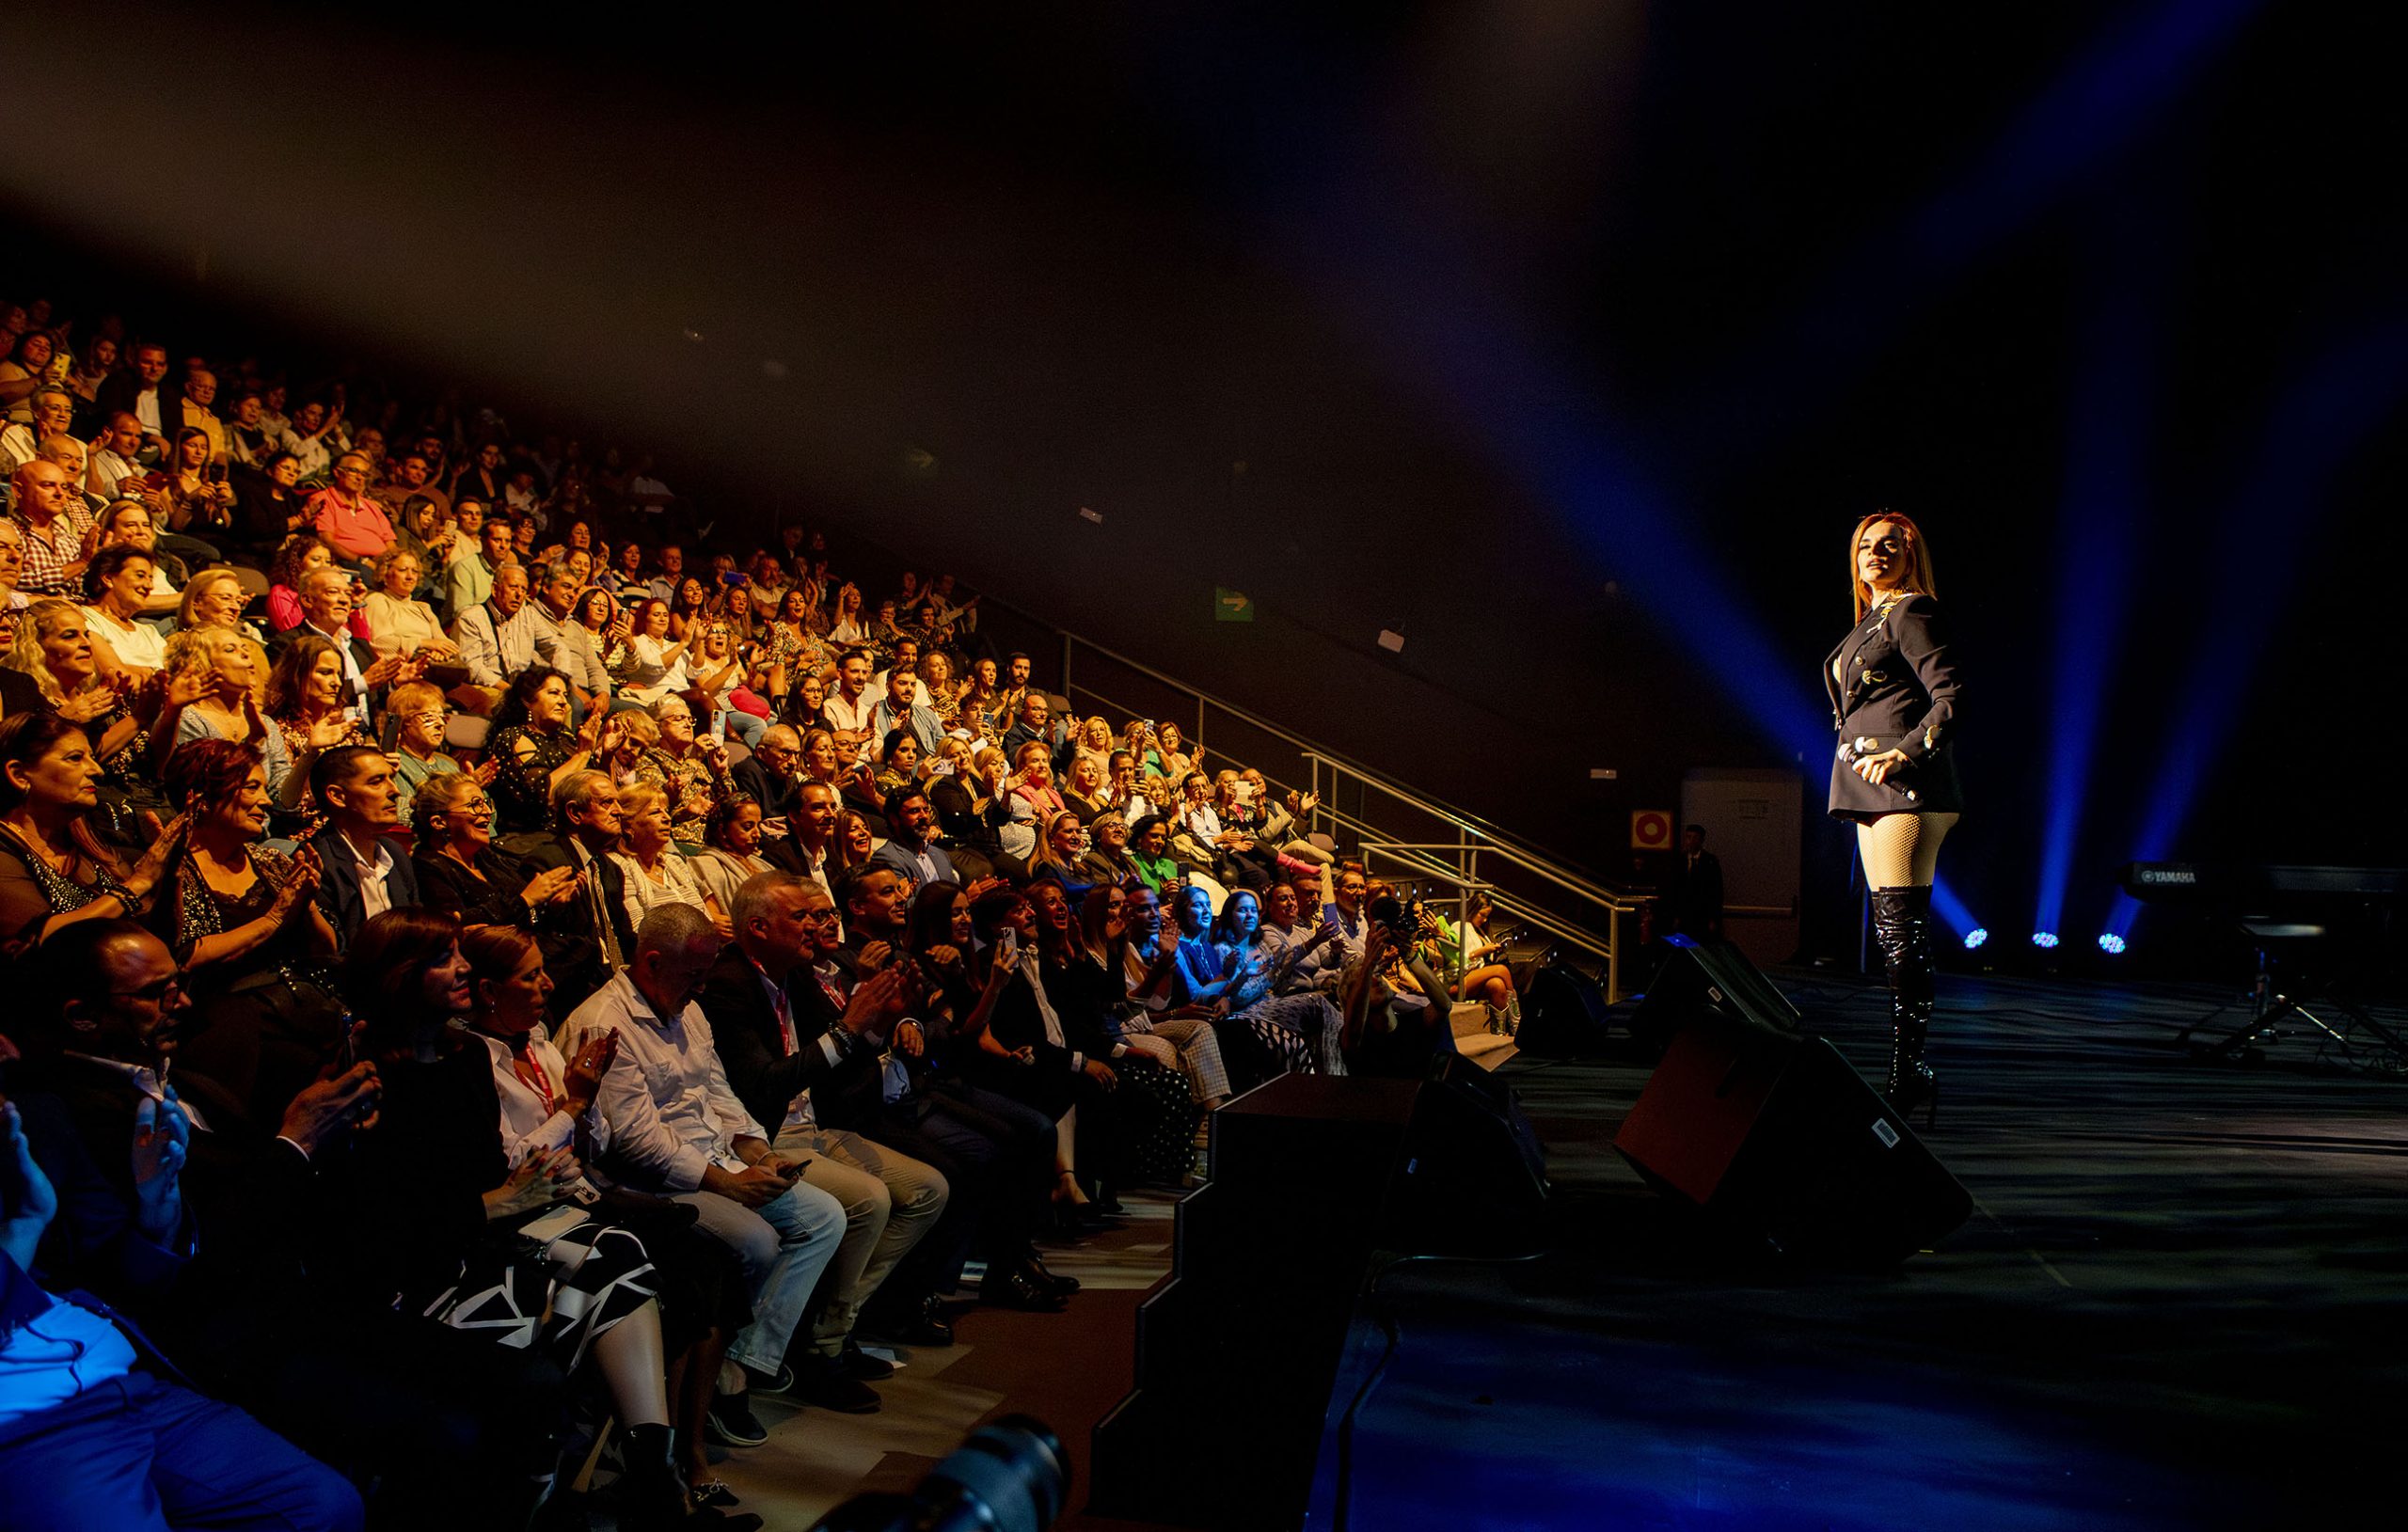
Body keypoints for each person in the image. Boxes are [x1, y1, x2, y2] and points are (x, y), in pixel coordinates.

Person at [321, 911, 698, 1530]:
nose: (462, 969)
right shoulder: (360, 1070)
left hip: (476, 1237)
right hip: (411, 1276)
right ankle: (597, 1490)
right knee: (573, 1307)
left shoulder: (465, 1053)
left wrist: (514, 1191)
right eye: (443, 959)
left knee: (619, 1253)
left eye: (458, 955)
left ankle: (651, 1470)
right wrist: (502, 1200)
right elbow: (384, 1218)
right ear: (399, 977)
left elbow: (491, 1171)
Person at [0, 1095, 366, 1532]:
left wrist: (157, 1211)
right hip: (29, 1421)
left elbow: (111, 1264)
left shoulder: (34, 1112)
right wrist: (25, 1227)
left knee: (325, 1508)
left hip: (126, 1375)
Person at [557, 904, 849, 1448]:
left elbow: (718, 1091)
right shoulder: (606, 1022)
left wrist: (757, 1150)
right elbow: (635, 1141)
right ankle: (707, 1383)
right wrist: (728, 1184)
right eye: (693, 974)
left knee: (824, 1216)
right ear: (651, 962)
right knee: (756, 1240)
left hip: (713, 1158)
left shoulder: (687, 1008)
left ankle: (737, 1364)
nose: (702, 985)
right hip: (650, 1183)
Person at [696, 871, 955, 1406]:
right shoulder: (730, 984)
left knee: (928, 1188)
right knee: (869, 1199)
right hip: (765, 1133)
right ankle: (821, 1349)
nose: (816, 926)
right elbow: (763, 1084)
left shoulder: (793, 974)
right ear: (759, 928)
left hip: (817, 1123)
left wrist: (878, 1021)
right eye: (801, 917)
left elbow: (844, 1056)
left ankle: (832, 1322)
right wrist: (850, 1026)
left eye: (819, 916)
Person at [1825, 512, 1962, 1125]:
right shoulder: (1870, 620)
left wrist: (1904, 752)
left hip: (1905, 782)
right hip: (1868, 781)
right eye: (1866, 546)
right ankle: (1909, 1069)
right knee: (1891, 933)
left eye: (1890, 545)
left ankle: (1909, 1071)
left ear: (1910, 555)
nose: (1876, 553)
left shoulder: (1912, 611)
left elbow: (1950, 697)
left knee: (1903, 932)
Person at [0, 713, 184, 952]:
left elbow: (161, 938)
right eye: (75, 758)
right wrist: (140, 882)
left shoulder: (88, 843)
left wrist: (170, 877)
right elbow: (33, 942)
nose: (97, 770)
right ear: (19, 774)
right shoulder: (5, 850)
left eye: (93, 758)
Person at [487, 666, 616, 835]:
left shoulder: (565, 737)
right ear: (527, 700)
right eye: (554, 693)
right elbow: (543, 796)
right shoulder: (513, 736)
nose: (563, 702)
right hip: (533, 837)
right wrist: (583, 753)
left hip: (576, 832)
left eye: (565, 695)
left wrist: (607, 755)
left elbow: (600, 792)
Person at [613, 782, 725, 937]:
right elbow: (638, 932)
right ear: (627, 826)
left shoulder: (674, 862)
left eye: (666, 811)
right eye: (655, 813)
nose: (667, 818)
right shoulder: (620, 867)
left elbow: (704, 910)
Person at [358, 545, 459, 665]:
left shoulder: (423, 608)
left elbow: (444, 643)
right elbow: (379, 643)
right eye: (403, 570)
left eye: (414, 571)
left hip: (428, 664)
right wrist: (423, 643)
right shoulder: (377, 600)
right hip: (396, 668)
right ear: (384, 574)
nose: (410, 577)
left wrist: (439, 652)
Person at [871, 783, 956, 888]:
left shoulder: (940, 854)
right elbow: (902, 898)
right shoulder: (886, 858)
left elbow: (956, 893)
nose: (924, 816)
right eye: (914, 811)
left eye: (926, 810)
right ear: (894, 819)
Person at [1666, 823, 1724, 941]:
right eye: (1688, 837)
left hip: (1702, 914)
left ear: (1701, 840)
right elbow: (1674, 889)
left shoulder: (1710, 861)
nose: (1691, 841)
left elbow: (1716, 891)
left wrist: (1713, 918)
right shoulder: (1679, 860)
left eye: (1695, 838)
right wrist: (1674, 915)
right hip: (1683, 914)